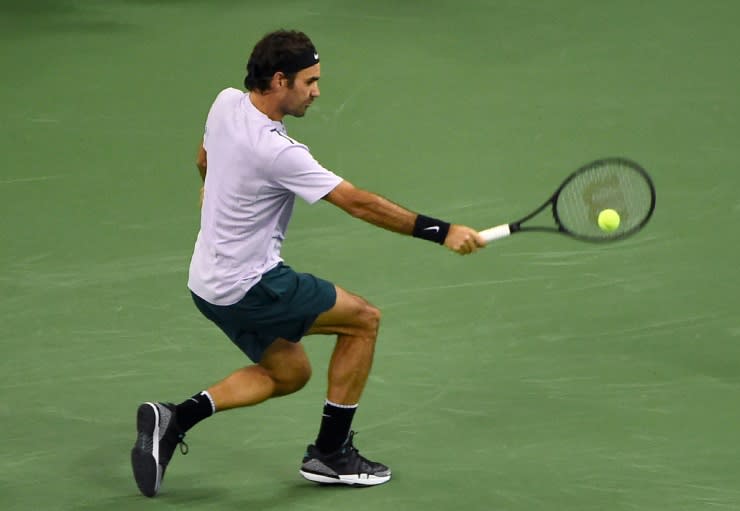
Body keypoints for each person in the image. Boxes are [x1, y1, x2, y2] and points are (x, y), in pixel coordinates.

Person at [130, 29, 486, 497]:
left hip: (206, 282)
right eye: (310, 81)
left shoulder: (225, 103)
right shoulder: (278, 152)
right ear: (280, 81)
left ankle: (175, 419)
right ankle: (331, 454)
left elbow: (204, 158)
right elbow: (357, 203)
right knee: (363, 321)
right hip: (252, 284)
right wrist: (442, 231)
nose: (317, 92)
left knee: (290, 373)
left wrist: (214, 190)